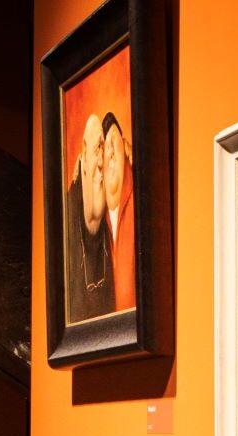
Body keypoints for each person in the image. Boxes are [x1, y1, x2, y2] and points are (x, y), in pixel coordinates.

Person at [63, 113, 114, 322]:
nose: (101, 166)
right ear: (83, 154)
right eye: (96, 150)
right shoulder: (67, 218)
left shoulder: (111, 224)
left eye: (104, 151)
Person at [101, 112, 136, 313]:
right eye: (106, 147)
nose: (112, 153)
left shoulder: (138, 200)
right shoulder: (99, 219)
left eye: (115, 142)